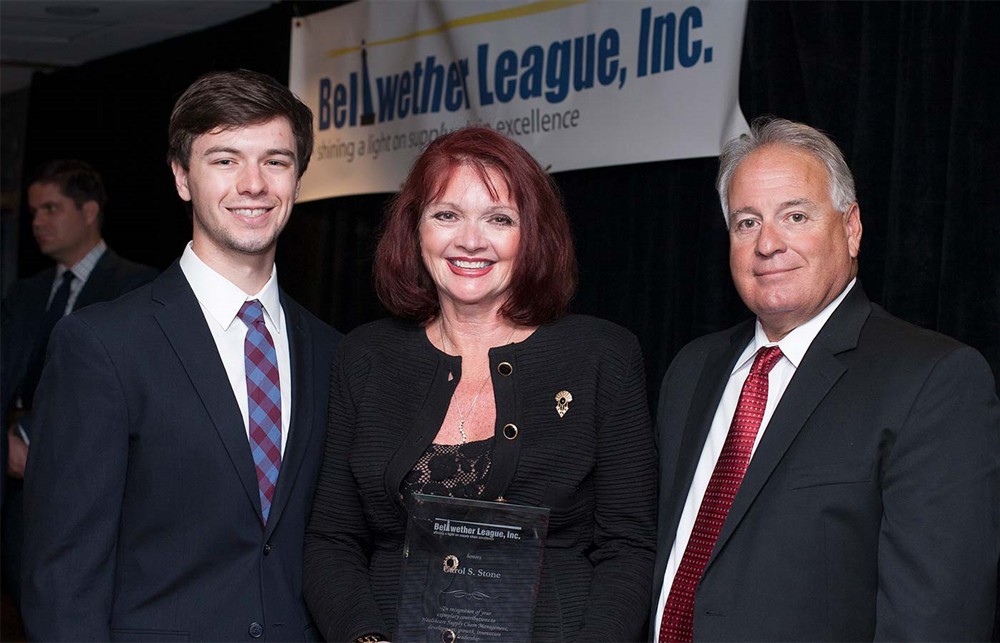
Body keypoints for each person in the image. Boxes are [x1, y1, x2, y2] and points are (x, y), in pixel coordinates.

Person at [20, 69, 341, 641]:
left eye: (276, 160)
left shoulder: (332, 352)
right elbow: (62, 575)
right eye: (224, 159)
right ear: (181, 178)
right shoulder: (102, 346)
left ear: (298, 178)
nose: (253, 184)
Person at [651, 117, 1000, 641]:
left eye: (795, 215)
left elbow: (937, 620)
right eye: (747, 222)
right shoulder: (691, 371)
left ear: (851, 228)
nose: (767, 244)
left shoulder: (933, 380)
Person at [303, 126, 657, 642]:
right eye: (447, 215)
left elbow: (627, 547)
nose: (470, 240)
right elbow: (332, 539)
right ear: (415, 229)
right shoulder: (365, 356)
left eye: (499, 219)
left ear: (532, 233)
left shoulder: (603, 356)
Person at [0, 159, 157, 603]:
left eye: (51, 209)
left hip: (92, 485)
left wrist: (36, 443)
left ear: (88, 212)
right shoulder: (25, 293)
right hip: (18, 493)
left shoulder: (137, 287)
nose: (37, 222)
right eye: (33, 212)